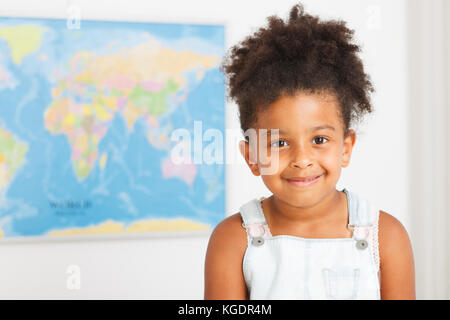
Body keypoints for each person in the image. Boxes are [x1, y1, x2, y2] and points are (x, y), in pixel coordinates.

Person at [204, 2, 415, 300]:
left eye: (319, 140)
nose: (302, 160)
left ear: (346, 147)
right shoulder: (233, 240)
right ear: (252, 156)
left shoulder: (387, 237)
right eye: (279, 143)